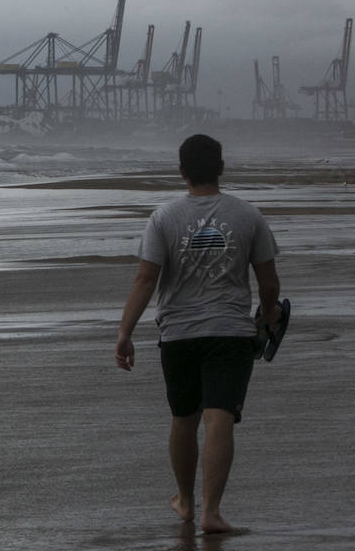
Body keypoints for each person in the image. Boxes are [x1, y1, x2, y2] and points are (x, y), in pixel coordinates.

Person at [115, 134, 282, 535]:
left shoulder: (164, 217)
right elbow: (269, 282)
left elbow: (145, 278)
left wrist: (124, 333)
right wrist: (270, 313)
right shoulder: (248, 216)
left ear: (181, 171)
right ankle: (213, 512)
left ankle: (186, 502)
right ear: (221, 168)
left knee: (183, 419)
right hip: (230, 332)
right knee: (219, 417)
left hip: (178, 334)